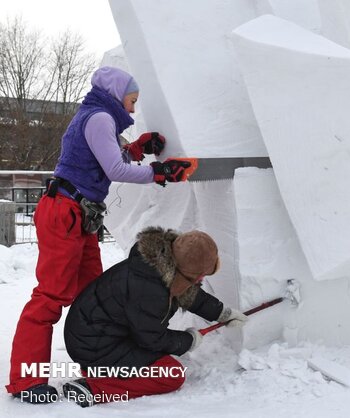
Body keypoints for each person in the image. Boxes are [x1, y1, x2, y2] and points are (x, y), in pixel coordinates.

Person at [6, 66, 193, 402]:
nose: (133, 110)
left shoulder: (99, 118)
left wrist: (138, 148)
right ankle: (25, 381)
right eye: (132, 101)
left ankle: (99, 364)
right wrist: (159, 172)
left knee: (94, 295)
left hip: (80, 217)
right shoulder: (98, 118)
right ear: (117, 94)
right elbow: (114, 169)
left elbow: (104, 158)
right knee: (50, 296)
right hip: (63, 213)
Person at [61, 227, 248, 407]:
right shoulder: (149, 290)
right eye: (199, 278)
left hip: (98, 336)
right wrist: (188, 340)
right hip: (94, 347)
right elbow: (152, 338)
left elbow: (190, 295)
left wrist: (222, 313)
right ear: (187, 275)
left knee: (162, 360)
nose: (200, 282)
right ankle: (93, 388)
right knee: (171, 374)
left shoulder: (159, 266)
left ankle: (104, 373)